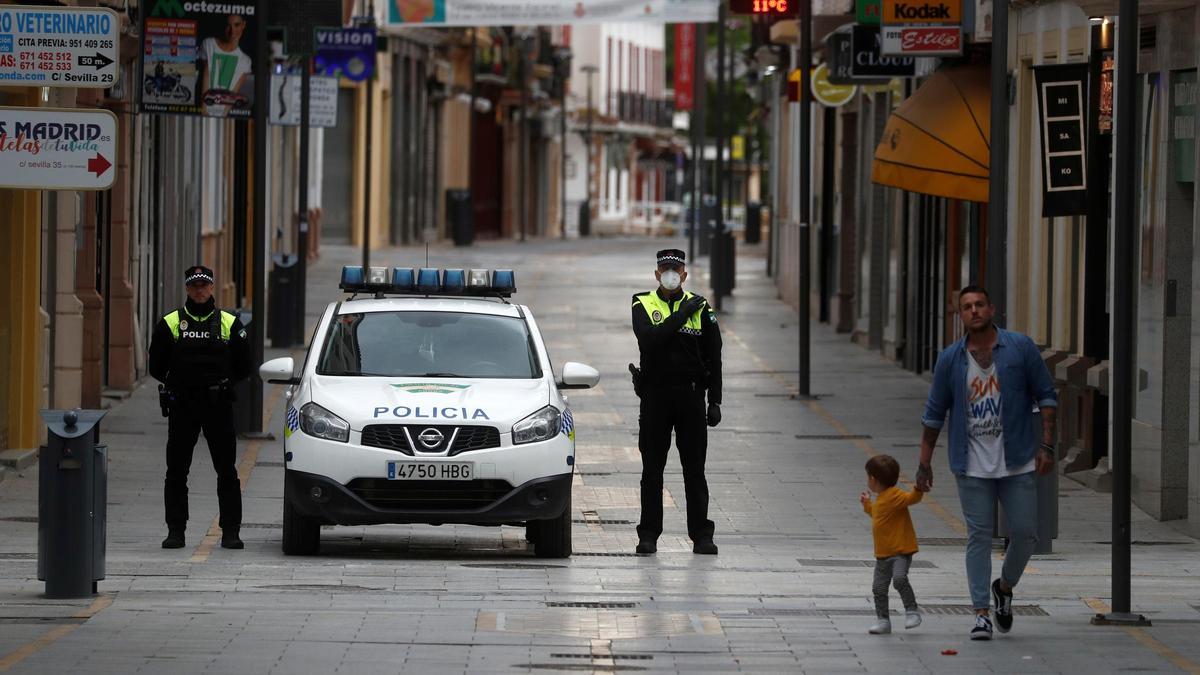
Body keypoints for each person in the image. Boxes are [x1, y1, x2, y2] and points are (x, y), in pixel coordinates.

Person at [916, 285, 1057, 640]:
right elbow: (934, 414)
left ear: (992, 309)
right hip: (971, 464)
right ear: (959, 315)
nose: (974, 310)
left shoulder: (1020, 348)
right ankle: (980, 612)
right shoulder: (950, 359)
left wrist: (1047, 445)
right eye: (967, 306)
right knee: (978, 537)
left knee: (1025, 534)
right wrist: (924, 463)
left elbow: (1046, 394)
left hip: (1018, 459)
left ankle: (1004, 588)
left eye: (979, 304)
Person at [148, 266, 252, 550]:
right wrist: (177, 383)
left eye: (204, 285)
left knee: (227, 471)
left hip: (217, 405)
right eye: (194, 286)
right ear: (186, 289)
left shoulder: (229, 322)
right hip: (183, 405)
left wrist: (226, 382)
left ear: (212, 287)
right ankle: (176, 531)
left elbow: (245, 364)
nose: (199, 290)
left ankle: (231, 531)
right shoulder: (171, 322)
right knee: (177, 470)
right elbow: (155, 365)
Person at [630, 249, 722, 555]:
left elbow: (715, 355)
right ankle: (648, 535)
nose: (671, 273)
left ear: (684, 274)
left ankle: (701, 535)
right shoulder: (642, 302)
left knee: (694, 469)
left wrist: (715, 400)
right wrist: (682, 314)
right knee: (652, 471)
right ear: (657, 274)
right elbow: (650, 340)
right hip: (655, 396)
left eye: (676, 269)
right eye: (665, 269)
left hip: (691, 397)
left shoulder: (702, 307)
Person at [861, 455, 925, 635]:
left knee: (899, 579)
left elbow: (912, 498)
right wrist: (867, 505)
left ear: (873, 479)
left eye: (868, 477)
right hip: (882, 554)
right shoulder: (880, 498)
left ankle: (912, 611)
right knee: (878, 588)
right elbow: (877, 514)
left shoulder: (895, 495)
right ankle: (883, 620)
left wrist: (918, 488)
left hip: (900, 551)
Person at [199, 14, 252, 116]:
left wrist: (223, 115)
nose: (232, 31)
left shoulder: (246, 61)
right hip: (202, 109)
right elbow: (205, 76)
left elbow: (234, 91)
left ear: (243, 25)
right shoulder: (209, 44)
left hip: (222, 115)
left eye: (237, 25)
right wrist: (203, 109)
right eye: (229, 25)